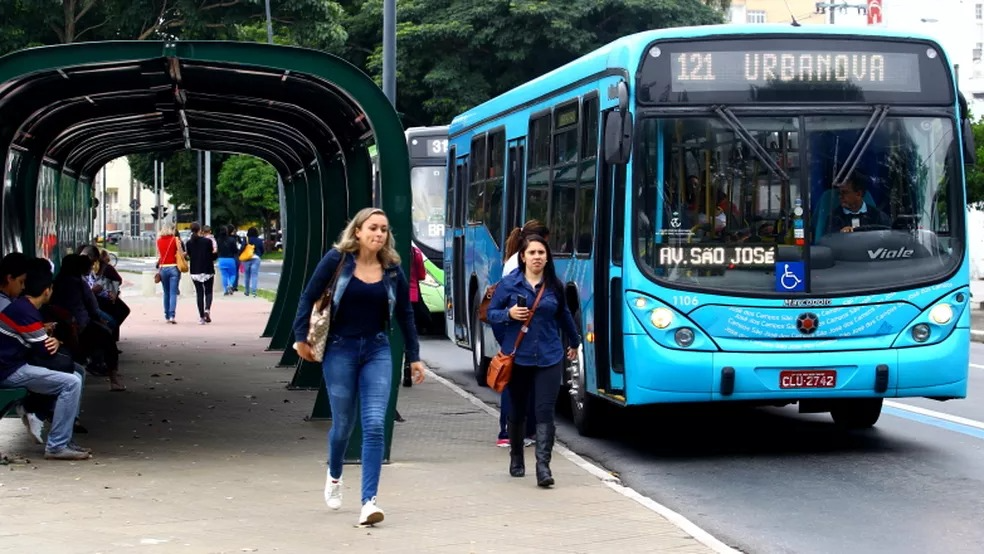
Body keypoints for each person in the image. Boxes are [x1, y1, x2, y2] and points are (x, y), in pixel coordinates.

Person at [292, 207, 426, 526]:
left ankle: (369, 501)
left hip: (377, 350)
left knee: (375, 424)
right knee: (343, 425)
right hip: (340, 349)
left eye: (383, 229)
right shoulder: (336, 260)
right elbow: (308, 297)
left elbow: (405, 314)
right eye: (373, 228)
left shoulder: (391, 268)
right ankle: (335, 475)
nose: (379, 234)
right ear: (357, 231)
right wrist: (300, 337)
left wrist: (415, 355)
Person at [487, 235, 580, 487]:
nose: (537, 257)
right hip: (518, 359)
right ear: (523, 257)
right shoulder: (508, 284)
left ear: (547, 256)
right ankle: (517, 456)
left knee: (544, 412)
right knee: (517, 410)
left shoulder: (554, 286)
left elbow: (564, 315)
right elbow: (490, 314)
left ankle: (543, 467)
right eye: (532, 253)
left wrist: (574, 341)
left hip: (549, 357)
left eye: (541, 252)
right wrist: (508, 314)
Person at [0, 260, 90, 460]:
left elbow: (42, 343)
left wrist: (52, 340)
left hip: (13, 364)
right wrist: (55, 340)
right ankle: (57, 444)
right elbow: (45, 350)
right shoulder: (26, 311)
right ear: (48, 290)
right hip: (9, 371)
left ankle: (62, 438)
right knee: (71, 382)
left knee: (75, 374)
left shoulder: (23, 307)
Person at [496, 220, 548, 447]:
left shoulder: (514, 259)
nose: (541, 255)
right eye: (538, 249)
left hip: (518, 330)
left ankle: (521, 431)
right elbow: (498, 309)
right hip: (516, 330)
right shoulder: (516, 268)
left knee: (521, 383)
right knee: (513, 382)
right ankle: (508, 432)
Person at [402, 243, 428, 388]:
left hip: (395, 298)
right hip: (412, 298)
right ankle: (407, 368)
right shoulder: (415, 252)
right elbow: (422, 275)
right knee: (409, 333)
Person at [185, 222, 217, 324]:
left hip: (195, 270)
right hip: (207, 269)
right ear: (200, 230)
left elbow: (189, 256)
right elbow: (213, 255)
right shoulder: (207, 241)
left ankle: (202, 317)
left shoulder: (189, 243)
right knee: (208, 291)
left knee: (199, 293)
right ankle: (207, 309)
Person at [156, 226, 184, 323]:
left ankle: (167, 315)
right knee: (173, 293)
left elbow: (160, 254)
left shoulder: (159, 241)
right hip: (173, 268)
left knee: (166, 293)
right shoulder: (174, 240)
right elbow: (181, 253)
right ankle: (172, 315)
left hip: (163, 268)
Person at [215, 226, 240, 295]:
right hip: (230, 259)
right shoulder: (232, 240)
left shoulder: (218, 240)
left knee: (224, 275)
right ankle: (231, 285)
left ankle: (225, 289)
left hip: (221, 259)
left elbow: (217, 250)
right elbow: (235, 250)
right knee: (233, 274)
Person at [241, 227, 264, 297]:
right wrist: (259, 255)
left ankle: (247, 291)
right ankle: (254, 292)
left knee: (247, 276)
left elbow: (242, 248)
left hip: (246, 259)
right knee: (254, 275)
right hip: (256, 258)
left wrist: (240, 255)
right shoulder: (259, 240)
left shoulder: (246, 240)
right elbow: (262, 250)